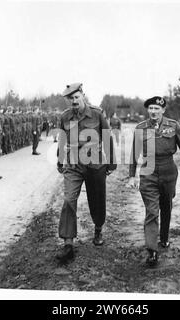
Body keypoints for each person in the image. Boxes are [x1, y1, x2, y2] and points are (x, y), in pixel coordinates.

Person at [126, 96, 180, 267]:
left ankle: (164, 238)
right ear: (147, 110)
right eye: (151, 108)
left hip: (168, 171)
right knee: (151, 211)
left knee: (166, 206)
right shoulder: (141, 128)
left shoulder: (173, 126)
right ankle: (152, 250)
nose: (153, 112)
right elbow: (134, 153)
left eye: (157, 109)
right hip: (148, 171)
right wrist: (131, 175)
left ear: (163, 110)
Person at [56, 83, 117, 262]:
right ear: (68, 100)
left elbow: (107, 137)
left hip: (94, 164)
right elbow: (62, 139)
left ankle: (98, 229)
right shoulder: (65, 117)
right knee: (68, 199)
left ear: (83, 96)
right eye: (70, 98)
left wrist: (111, 163)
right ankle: (68, 243)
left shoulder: (97, 114)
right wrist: (60, 161)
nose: (74, 101)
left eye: (77, 97)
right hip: (73, 164)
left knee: (97, 199)